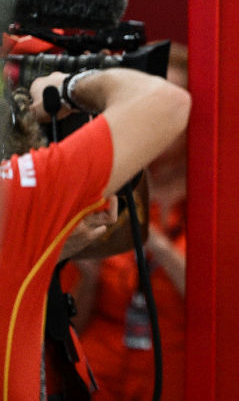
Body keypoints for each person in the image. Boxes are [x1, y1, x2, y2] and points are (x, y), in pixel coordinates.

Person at [0, 67, 191, 399]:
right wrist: (68, 87)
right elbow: (164, 101)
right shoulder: (17, 193)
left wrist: (53, 249)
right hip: (106, 366)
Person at [63, 42, 189, 400]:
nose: (158, 122)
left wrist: (157, 245)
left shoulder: (213, 197)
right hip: (101, 371)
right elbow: (71, 321)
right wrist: (83, 270)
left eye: (169, 109)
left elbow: (222, 310)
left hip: (173, 373)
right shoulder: (103, 183)